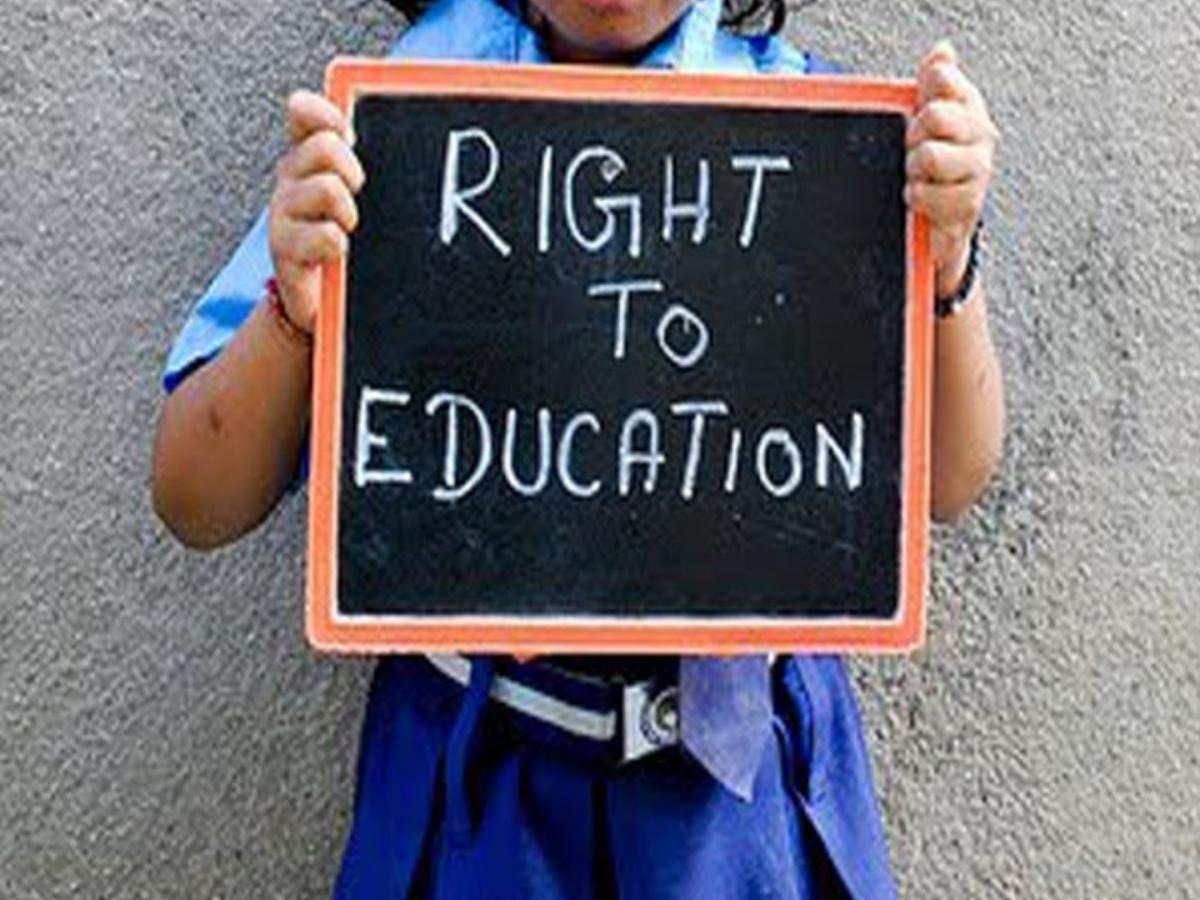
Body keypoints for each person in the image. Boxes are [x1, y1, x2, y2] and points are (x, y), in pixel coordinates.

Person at [152, 0, 1004, 896]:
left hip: (742, 799)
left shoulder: (817, 128)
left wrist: (948, 259)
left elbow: (949, 477)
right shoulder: (397, 122)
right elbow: (194, 497)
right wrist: (295, 312)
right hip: (477, 787)